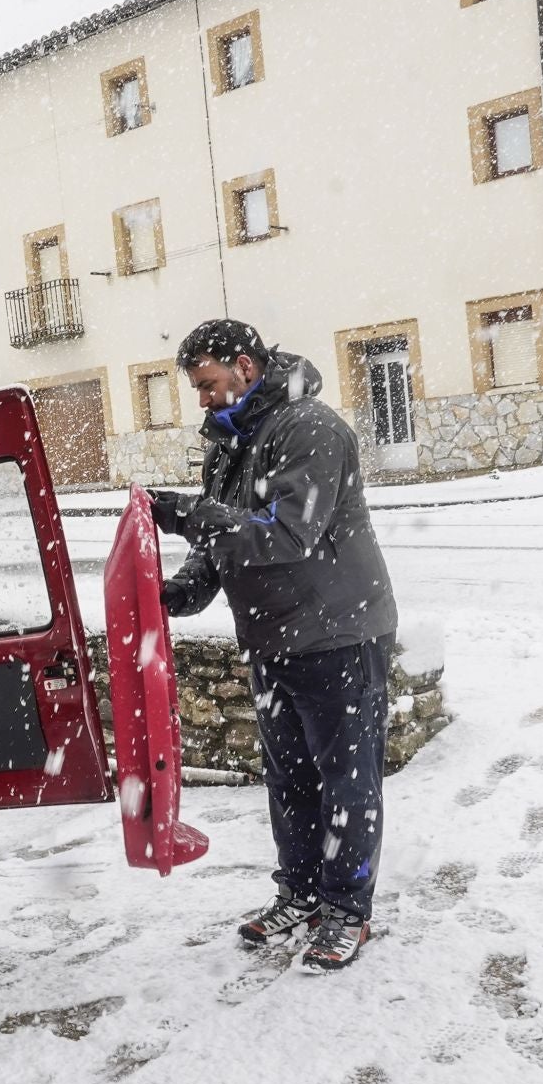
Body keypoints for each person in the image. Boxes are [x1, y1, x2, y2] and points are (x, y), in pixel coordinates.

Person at [148, 319, 398, 972]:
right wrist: (174, 594)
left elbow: (287, 535)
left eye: (207, 384)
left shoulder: (309, 428)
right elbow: (221, 544)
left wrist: (185, 513)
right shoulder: (229, 446)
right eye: (197, 389)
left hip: (340, 633)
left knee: (347, 782)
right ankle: (303, 892)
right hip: (274, 641)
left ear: (245, 367)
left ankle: (346, 909)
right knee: (289, 780)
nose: (202, 398)